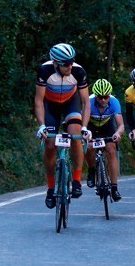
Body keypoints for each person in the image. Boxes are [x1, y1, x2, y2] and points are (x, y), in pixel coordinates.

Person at [34, 42, 92, 209]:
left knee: (75, 136)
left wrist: (85, 127)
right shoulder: (44, 71)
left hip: (70, 103)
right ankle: (51, 188)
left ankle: (76, 180)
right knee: (50, 145)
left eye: (72, 61)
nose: (70, 66)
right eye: (66, 63)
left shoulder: (78, 71)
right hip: (50, 105)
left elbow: (86, 102)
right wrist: (41, 126)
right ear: (56, 63)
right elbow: (38, 101)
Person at [84, 78, 125, 202]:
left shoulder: (114, 102)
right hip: (91, 127)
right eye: (100, 97)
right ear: (96, 96)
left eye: (106, 97)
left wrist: (117, 134)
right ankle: (91, 170)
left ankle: (114, 187)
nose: (103, 100)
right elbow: (83, 123)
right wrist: (84, 132)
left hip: (107, 127)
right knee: (89, 147)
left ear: (109, 96)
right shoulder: (89, 102)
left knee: (111, 149)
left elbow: (121, 125)